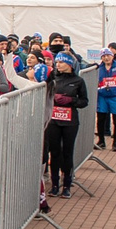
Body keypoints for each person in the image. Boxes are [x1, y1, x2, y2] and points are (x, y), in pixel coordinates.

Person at [41, 53, 86, 198]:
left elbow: (84, 101)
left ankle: (66, 185)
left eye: (61, 62)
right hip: (53, 120)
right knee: (54, 153)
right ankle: (55, 185)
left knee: (67, 152)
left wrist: (70, 100)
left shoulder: (78, 81)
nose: (58, 64)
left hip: (70, 121)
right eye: (57, 62)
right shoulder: (53, 79)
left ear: (70, 64)